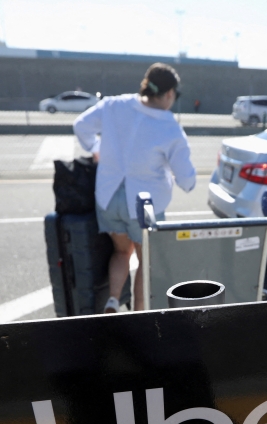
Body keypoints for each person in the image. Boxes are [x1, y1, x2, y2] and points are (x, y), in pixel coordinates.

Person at [73, 63, 196, 313]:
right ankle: (139, 313)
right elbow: (187, 180)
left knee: (121, 252)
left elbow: (81, 125)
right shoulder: (170, 127)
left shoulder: (114, 105)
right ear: (170, 94)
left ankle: (112, 300)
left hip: (108, 198)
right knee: (145, 261)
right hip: (144, 208)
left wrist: (95, 149)